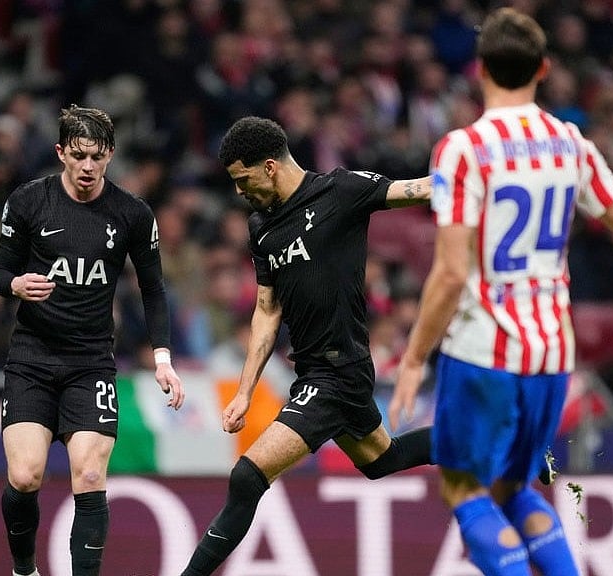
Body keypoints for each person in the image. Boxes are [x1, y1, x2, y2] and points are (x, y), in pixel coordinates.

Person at [388, 9, 613, 576]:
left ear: (480, 70)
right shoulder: (570, 143)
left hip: (484, 349)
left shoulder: (463, 149)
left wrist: (412, 359)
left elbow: (451, 273)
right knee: (515, 488)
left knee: (464, 488)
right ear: (544, 69)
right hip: (551, 352)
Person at [180, 116, 435, 576]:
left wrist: (483, 172)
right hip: (314, 372)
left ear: (270, 166)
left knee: (247, 476)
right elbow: (267, 311)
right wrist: (244, 391)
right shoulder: (261, 227)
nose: (238, 191)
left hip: (338, 373)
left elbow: (419, 190)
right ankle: (495, 440)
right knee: (384, 459)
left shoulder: (342, 191)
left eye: (243, 179)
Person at [0, 104, 185, 576]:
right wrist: (15, 285)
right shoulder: (28, 202)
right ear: (61, 153)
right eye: (78, 156)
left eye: (97, 157)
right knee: (25, 475)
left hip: (91, 361)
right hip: (32, 358)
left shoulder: (132, 213)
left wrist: (163, 358)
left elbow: (153, 289)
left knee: (91, 473)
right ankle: (24, 570)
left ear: (110, 154)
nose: (88, 166)